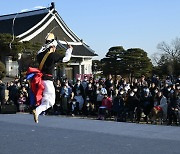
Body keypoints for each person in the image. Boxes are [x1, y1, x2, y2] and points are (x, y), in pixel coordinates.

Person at [32, 33, 72, 123]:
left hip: (41, 80)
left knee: (46, 99)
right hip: (48, 81)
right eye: (55, 47)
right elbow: (67, 58)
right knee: (51, 102)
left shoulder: (40, 55)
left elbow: (39, 52)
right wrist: (69, 49)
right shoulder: (53, 55)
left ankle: (38, 111)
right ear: (53, 46)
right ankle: (37, 111)